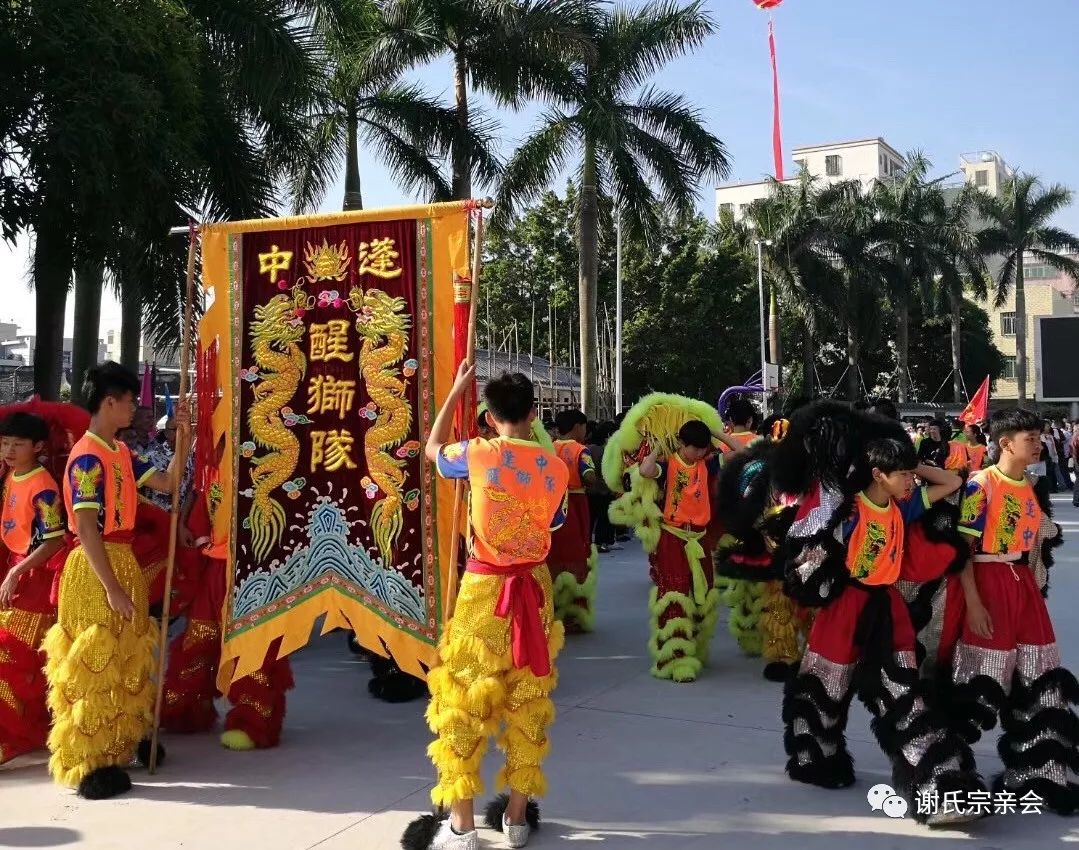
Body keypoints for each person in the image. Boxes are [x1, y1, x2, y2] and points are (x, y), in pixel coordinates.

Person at [777, 404, 985, 826]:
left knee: (903, 690)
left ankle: (937, 783)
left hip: (886, 607)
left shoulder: (904, 507)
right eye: (903, 475)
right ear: (877, 475)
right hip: (845, 605)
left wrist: (908, 463)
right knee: (824, 685)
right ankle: (814, 756)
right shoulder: (846, 509)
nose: (911, 481)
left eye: (911, 475)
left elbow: (952, 479)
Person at [403, 366, 569, 850]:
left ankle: (461, 826)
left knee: (463, 700)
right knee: (528, 700)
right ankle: (516, 819)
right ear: (535, 414)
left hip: (484, 589)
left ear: (490, 416)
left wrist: (454, 392)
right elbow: (555, 521)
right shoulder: (555, 466)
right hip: (533, 590)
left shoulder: (476, 453)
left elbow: (432, 450)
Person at [43, 362, 190, 799]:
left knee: (126, 657)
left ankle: (120, 746)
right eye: (129, 401)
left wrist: (184, 439)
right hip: (94, 568)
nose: (135, 409)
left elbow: (168, 482)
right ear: (110, 401)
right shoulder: (87, 456)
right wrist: (111, 587)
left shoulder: (121, 451)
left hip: (122, 560)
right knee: (93, 659)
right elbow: (86, 527)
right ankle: (90, 762)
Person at [950, 407, 1079, 813]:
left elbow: (1039, 536)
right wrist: (973, 602)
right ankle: (949, 774)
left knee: (1042, 673)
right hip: (988, 584)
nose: (1039, 443)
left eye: (1039, 437)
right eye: (1031, 438)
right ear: (1005, 443)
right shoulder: (979, 485)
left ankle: (1040, 772)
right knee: (981, 678)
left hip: (1022, 585)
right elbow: (962, 552)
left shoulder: (1029, 484)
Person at [0, 412, 68, 765]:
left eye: (18, 444)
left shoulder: (43, 485)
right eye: (5, 442)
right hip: (16, 570)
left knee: (10, 657)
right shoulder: (12, 474)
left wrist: (16, 574)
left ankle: (14, 736)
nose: (9, 449)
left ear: (38, 447)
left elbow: (55, 540)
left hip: (34, 577)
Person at [638, 421, 727, 683]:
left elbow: (739, 452)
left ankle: (694, 648)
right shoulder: (668, 465)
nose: (699, 453)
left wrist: (714, 432)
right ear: (681, 444)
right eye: (694, 448)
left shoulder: (707, 464)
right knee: (675, 594)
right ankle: (674, 657)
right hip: (673, 536)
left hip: (698, 537)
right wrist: (658, 445)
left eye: (703, 448)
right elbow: (644, 470)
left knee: (703, 592)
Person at [548, 410, 599, 633]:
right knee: (578, 555)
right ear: (578, 427)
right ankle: (574, 615)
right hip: (575, 505)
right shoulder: (581, 450)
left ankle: (552, 612)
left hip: (552, 505)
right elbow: (589, 475)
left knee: (553, 556)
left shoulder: (547, 447)